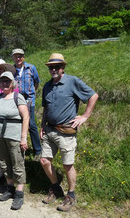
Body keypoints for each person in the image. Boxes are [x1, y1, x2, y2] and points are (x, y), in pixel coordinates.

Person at [40, 53, 98, 212]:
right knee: (44, 161)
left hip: (66, 131)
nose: (54, 69)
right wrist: (42, 126)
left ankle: (71, 195)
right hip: (49, 130)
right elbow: (46, 108)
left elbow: (93, 95)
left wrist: (85, 116)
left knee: (67, 165)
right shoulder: (47, 86)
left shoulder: (72, 81)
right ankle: (56, 187)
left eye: (57, 66)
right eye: (51, 67)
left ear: (63, 67)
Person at [0, 71, 29, 210]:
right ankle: (9, 188)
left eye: (7, 81)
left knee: (17, 163)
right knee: (4, 162)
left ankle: (19, 194)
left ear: (12, 84)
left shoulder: (18, 97)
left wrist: (23, 138)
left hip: (14, 136)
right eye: (2, 81)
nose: (5, 83)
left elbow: (26, 117)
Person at [12, 48, 41, 160]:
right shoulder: (12, 70)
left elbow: (36, 82)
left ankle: (38, 150)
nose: (18, 58)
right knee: (18, 123)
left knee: (32, 124)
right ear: (13, 58)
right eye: (16, 56)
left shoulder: (31, 68)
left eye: (20, 56)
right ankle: (19, 147)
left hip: (29, 100)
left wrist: (31, 92)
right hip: (16, 101)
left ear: (23, 57)